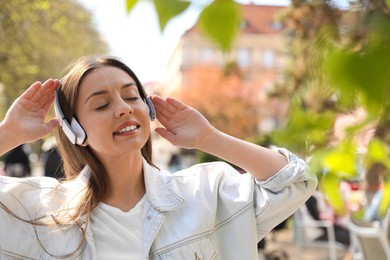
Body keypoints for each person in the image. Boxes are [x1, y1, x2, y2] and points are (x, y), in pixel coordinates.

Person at [0, 55, 317, 259]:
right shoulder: (38, 209)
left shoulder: (204, 192)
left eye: (130, 96)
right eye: (100, 105)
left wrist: (210, 138)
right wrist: (9, 134)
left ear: (148, 109)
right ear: (73, 130)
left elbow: (295, 182)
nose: (123, 108)